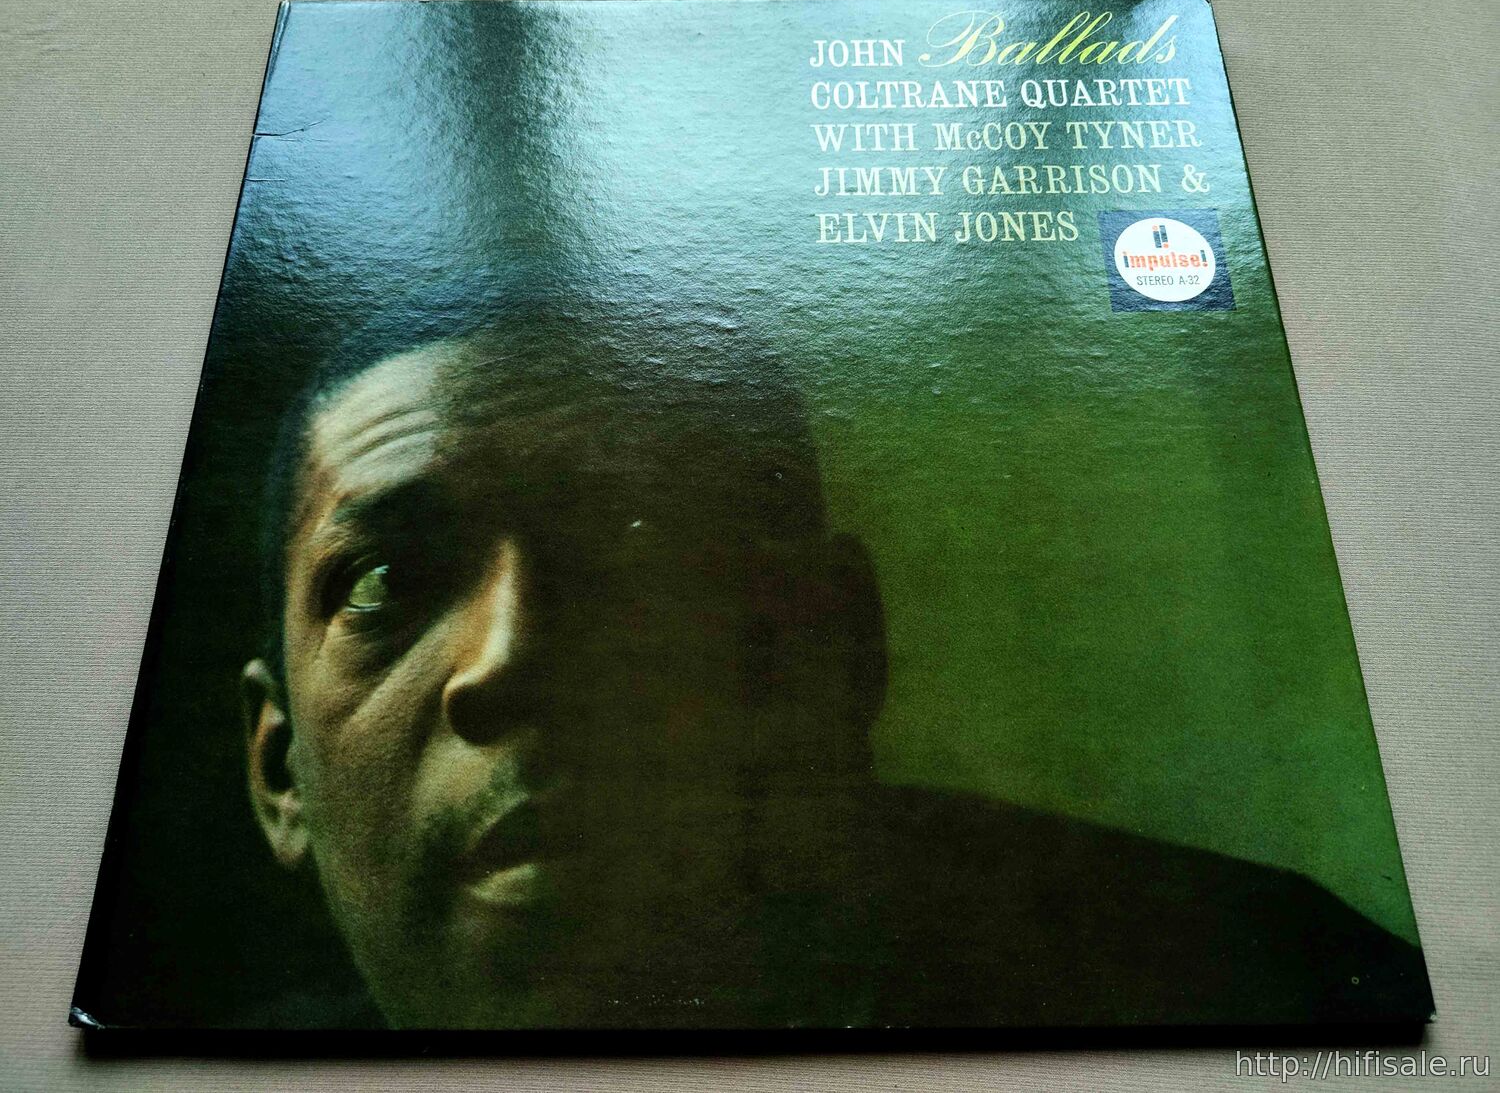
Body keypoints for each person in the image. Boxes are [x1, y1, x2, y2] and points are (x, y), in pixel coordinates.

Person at [243, 311, 1432, 1031]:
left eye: (641, 543)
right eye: (385, 581)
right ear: (279, 772)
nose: (511, 655)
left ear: (833, 646)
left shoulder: (1279, 993)